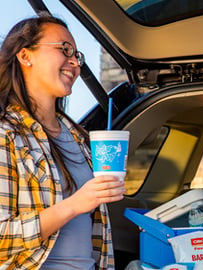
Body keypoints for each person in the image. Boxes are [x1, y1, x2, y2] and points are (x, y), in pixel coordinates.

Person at [0, 15, 125, 269]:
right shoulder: (6, 134)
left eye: (77, 56)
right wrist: (75, 204)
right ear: (25, 56)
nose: (74, 63)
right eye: (65, 49)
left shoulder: (78, 138)